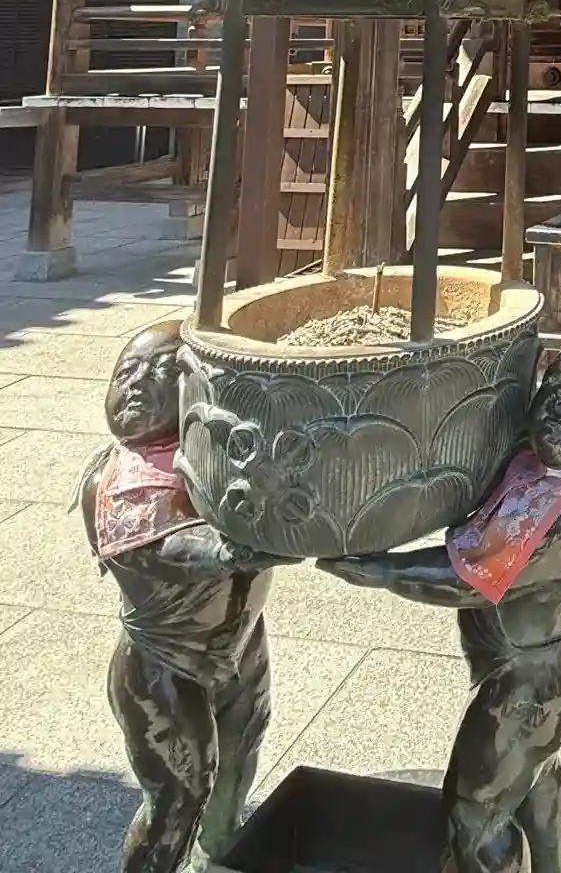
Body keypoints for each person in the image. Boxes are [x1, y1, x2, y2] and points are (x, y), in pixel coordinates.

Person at [321, 335, 561, 873]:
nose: (558, 400)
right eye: (553, 381)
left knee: (474, 815)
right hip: (552, 662)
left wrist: (379, 570)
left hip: (531, 686)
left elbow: (467, 579)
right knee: (534, 770)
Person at [78, 320, 289, 873]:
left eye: (161, 372)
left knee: (241, 751)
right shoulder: (115, 480)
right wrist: (230, 552)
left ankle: (220, 853)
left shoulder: (216, 455)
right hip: (164, 664)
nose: (137, 384)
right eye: (126, 371)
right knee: (179, 796)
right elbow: (152, 551)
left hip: (241, 640)